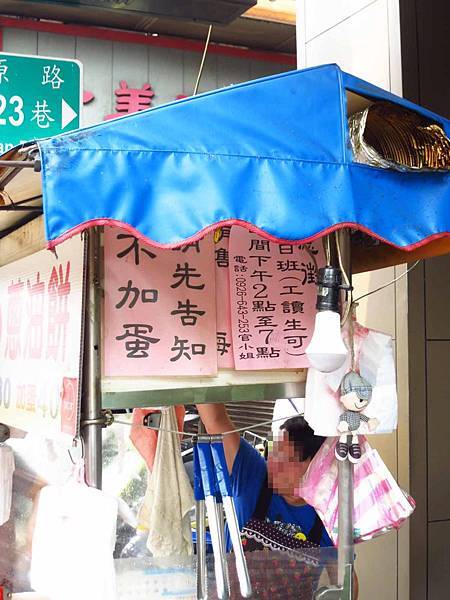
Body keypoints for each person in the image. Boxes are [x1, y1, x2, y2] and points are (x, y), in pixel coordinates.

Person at [196, 403, 359, 598]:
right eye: (272, 454)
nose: (272, 464)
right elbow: (214, 419)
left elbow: (345, 582)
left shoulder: (329, 516)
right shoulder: (253, 475)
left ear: (315, 464)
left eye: (284, 459)